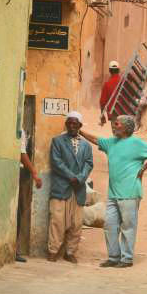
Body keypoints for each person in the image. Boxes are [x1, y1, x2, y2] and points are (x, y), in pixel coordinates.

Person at [80, 115, 147, 268]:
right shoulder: (111, 142)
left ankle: (127, 258)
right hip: (113, 193)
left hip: (130, 192)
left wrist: (143, 169)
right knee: (109, 225)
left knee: (128, 227)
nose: (113, 125)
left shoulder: (136, 143)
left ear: (125, 127)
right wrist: (80, 130)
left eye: (116, 123)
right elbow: (96, 140)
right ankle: (113, 256)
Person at [47, 112, 93, 264]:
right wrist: (71, 176)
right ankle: (53, 251)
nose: (72, 126)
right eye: (70, 123)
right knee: (57, 221)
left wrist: (80, 178)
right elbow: (56, 162)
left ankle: (70, 252)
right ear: (66, 125)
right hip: (61, 188)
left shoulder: (86, 145)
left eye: (75, 124)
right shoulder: (57, 141)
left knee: (76, 223)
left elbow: (88, 163)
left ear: (80, 126)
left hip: (78, 189)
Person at [16, 128, 42, 263]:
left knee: (19, 211)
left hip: (21, 173)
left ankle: (15, 248)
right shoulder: (18, 128)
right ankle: (14, 249)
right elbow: (22, 153)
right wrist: (34, 173)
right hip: (19, 173)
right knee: (18, 211)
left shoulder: (20, 127)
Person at [100, 60, 121, 126]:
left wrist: (102, 116)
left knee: (117, 133)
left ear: (109, 71)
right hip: (126, 114)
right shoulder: (124, 81)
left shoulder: (107, 84)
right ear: (119, 70)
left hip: (114, 114)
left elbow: (102, 102)